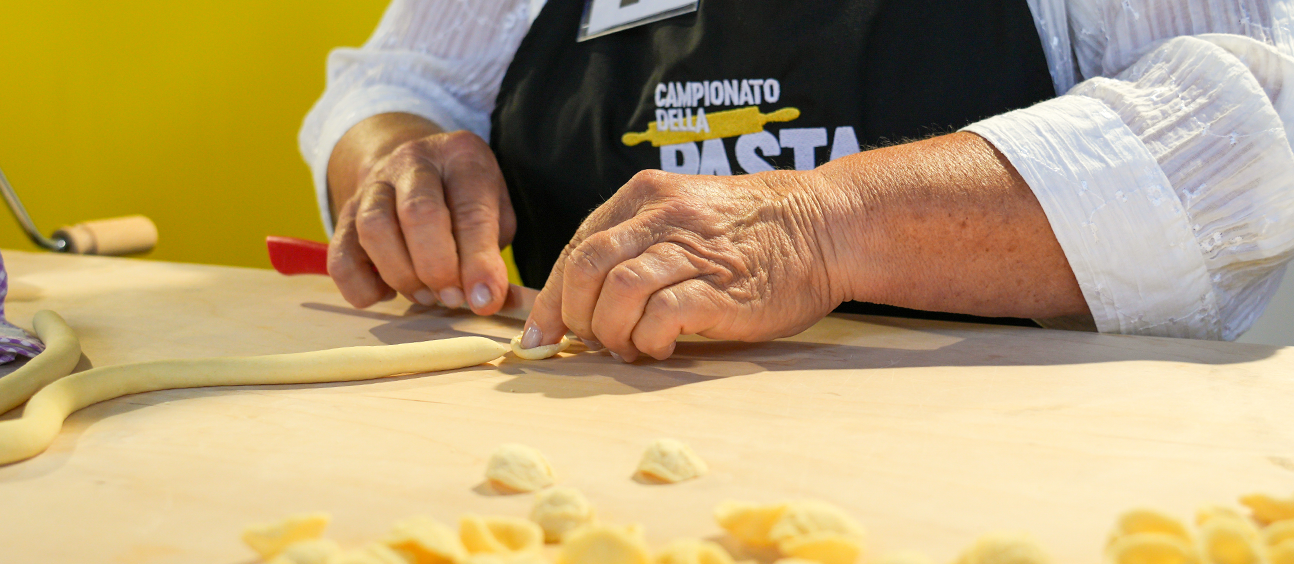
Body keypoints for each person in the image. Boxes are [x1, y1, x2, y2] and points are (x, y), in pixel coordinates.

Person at [301, 0, 1294, 362]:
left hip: (1012, 500)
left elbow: (1249, 128)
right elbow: (397, 82)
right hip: (579, 482)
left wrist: (823, 227)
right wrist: (396, 154)